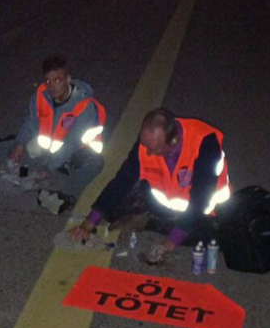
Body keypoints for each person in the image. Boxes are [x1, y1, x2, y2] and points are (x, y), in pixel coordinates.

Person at [67, 108, 231, 263]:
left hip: (203, 212)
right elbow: (123, 179)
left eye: (156, 149)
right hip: (164, 204)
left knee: (214, 238)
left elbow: (200, 200)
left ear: (173, 140)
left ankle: (154, 222)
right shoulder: (148, 142)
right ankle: (152, 219)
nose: (149, 153)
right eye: (146, 147)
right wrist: (88, 223)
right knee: (115, 204)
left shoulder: (206, 143)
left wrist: (168, 244)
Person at [7, 56, 107, 214]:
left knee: (95, 163)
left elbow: (72, 143)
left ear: (68, 79)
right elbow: (32, 122)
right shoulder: (40, 96)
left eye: (58, 81)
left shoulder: (84, 104)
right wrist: (19, 144)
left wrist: (48, 167)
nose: (52, 86)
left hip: (77, 151)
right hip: (51, 148)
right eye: (48, 82)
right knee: (9, 146)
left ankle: (66, 195)